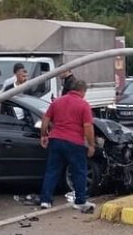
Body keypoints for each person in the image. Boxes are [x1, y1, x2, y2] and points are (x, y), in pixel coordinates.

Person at [38, 78, 96, 213]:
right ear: (82, 91)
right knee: (79, 172)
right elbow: (88, 126)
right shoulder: (84, 105)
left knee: (52, 171)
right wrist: (91, 144)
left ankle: (45, 200)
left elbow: (45, 119)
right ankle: (80, 201)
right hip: (74, 142)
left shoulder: (57, 101)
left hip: (56, 140)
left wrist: (44, 135)